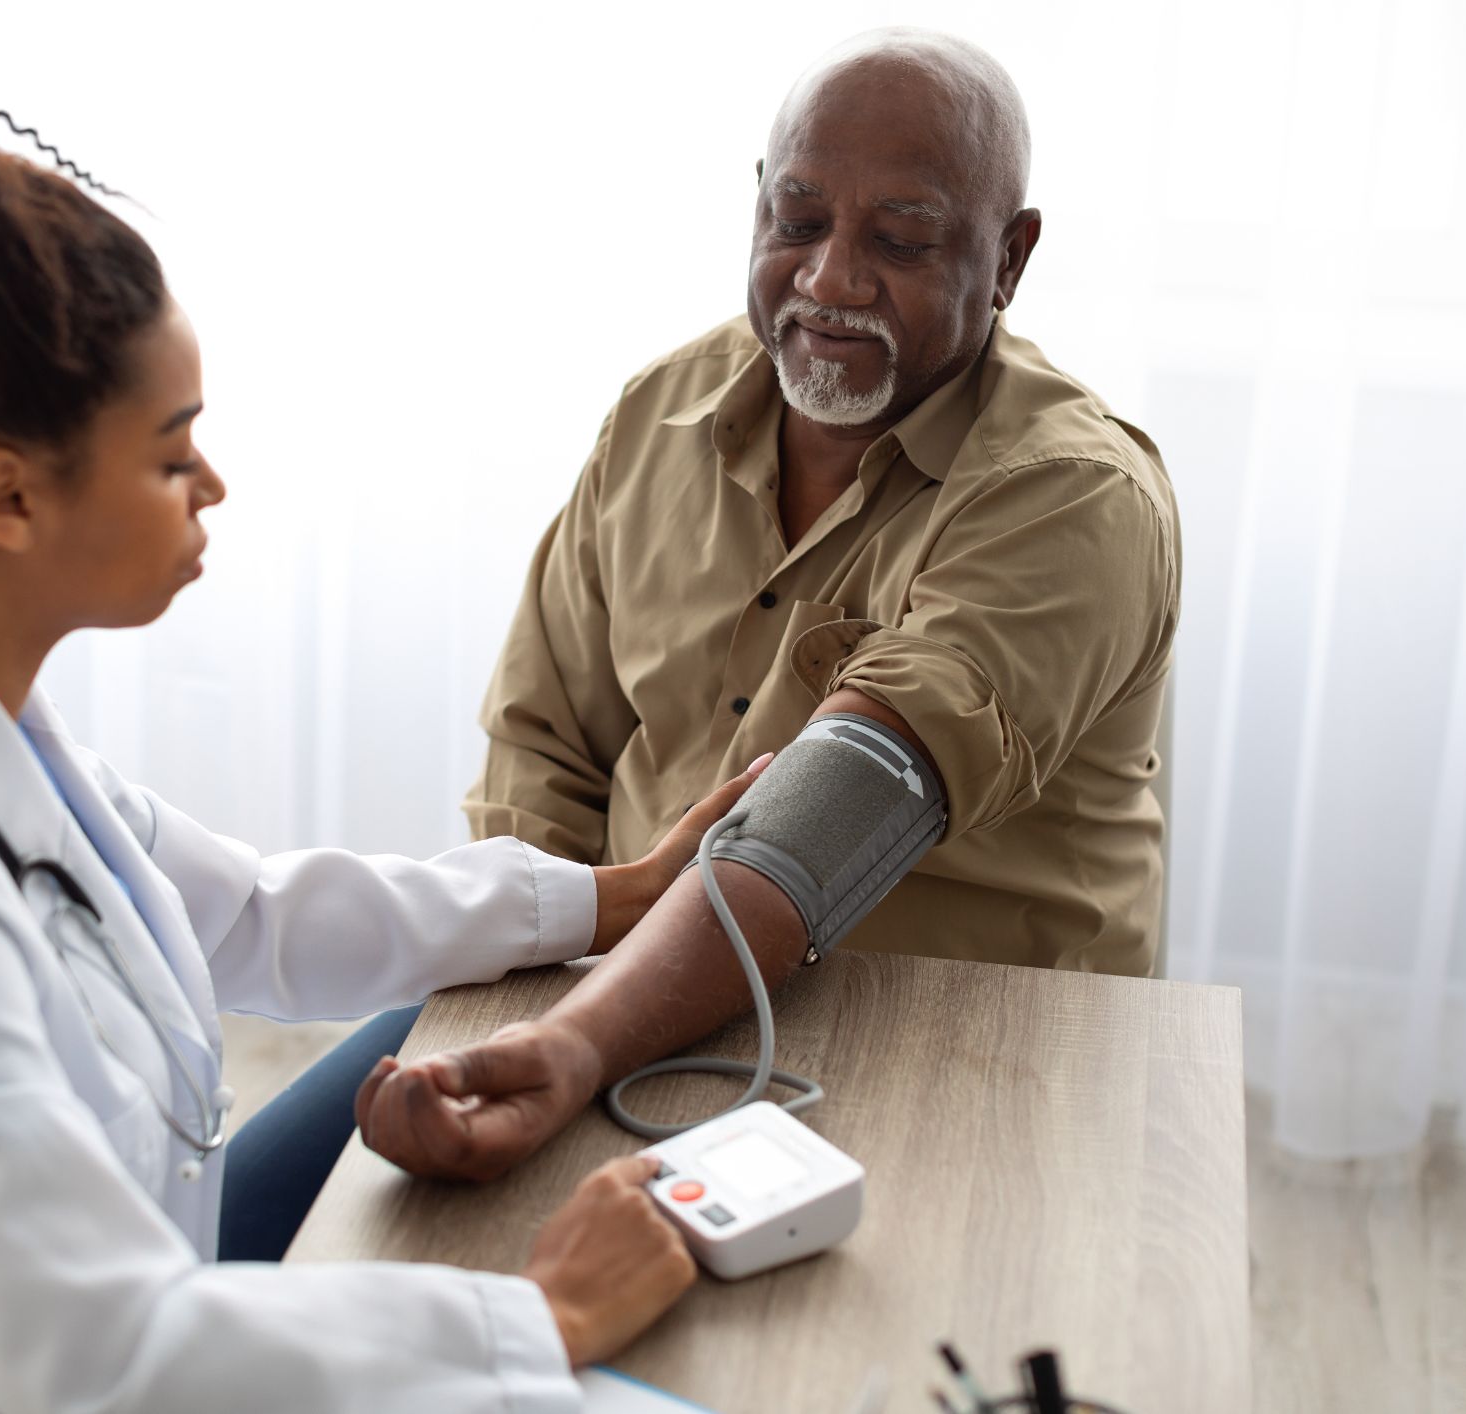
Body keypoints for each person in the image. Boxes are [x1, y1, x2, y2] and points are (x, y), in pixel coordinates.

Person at [0, 90, 762, 1413]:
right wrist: (533, 1315)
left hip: (127, 1301)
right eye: (171, 453)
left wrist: (614, 892)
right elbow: (102, 1355)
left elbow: (253, 910)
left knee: (453, 1011)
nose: (213, 484)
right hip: (61, 1370)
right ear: (6, 496)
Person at [358, 31, 1179, 1182]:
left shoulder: (1070, 494)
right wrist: (520, 995)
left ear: (1009, 259)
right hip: (601, 988)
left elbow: (839, 809)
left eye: (901, 238)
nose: (830, 277)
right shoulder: (663, 411)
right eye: (797, 220)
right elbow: (542, 744)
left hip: (949, 1054)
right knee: (269, 1244)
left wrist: (570, 1044)